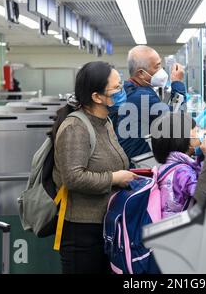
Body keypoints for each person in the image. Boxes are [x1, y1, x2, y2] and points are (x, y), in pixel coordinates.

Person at [51, 61, 138, 274]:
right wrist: (114, 178)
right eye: (116, 88)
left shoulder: (105, 121)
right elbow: (73, 178)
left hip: (105, 226)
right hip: (82, 233)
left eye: (121, 85)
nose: (122, 92)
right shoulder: (75, 128)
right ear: (96, 96)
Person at [113, 46, 187, 163]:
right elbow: (177, 120)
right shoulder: (142, 96)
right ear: (141, 74)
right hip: (139, 164)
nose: (161, 70)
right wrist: (178, 83)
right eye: (157, 66)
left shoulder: (133, 89)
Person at [151, 112, 206, 219]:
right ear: (184, 140)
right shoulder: (182, 171)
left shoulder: (170, 164)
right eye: (196, 131)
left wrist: (201, 157)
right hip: (180, 229)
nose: (200, 135)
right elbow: (203, 195)